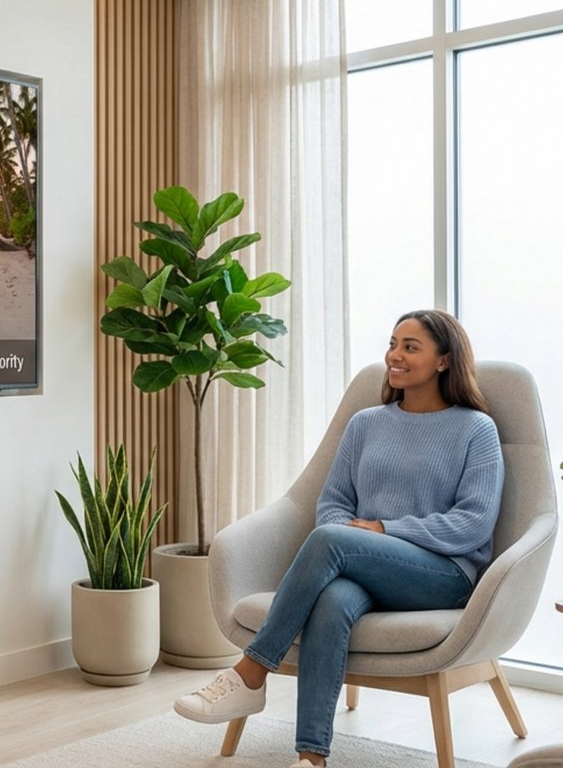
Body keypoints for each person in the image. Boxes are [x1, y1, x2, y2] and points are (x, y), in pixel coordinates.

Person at [173, 309, 505, 768]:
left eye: (411, 347)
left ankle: (251, 672)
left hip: (441, 574)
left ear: (444, 361)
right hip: (364, 564)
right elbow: (331, 504)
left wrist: (385, 530)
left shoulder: (475, 429)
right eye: (393, 343)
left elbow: (474, 523)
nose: (395, 355)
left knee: (332, 540)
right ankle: (312, 756)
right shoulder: (366, 423)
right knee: (332, 601)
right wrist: (361, 538)